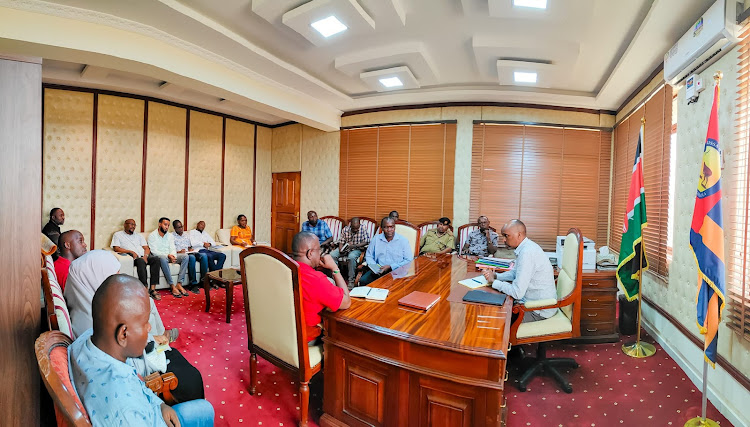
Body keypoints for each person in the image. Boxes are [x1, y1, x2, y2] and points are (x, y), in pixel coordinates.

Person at [68, 275, 214, 426]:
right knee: (204, 410)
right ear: (123, 334)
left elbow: (135, 382)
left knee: (205, 409)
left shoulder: (86, 340)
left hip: (151, 408)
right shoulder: (126, 412)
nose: (149, 328)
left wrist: (159, 405)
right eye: (145, 323)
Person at [66, 252, 205, 404]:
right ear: (96, 278)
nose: (118, 279)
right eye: (114, 275)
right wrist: (150, 340)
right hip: (143, 372)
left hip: (139, 359)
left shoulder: (88, 310)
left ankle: (161, 336)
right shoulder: (94, 323)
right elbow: (124, 366)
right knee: (193, 379)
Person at [481, 220, 557, 322]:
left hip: (538, 311)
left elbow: (517, 293)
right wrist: (496, 276)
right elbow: (515, 273)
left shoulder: (527, 253)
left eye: (506, 236)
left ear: (519, 235)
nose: (503, 240)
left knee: (495, 318)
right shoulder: (527, 247)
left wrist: (493, 282)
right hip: (534, 304)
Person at [291, 231, 351, 343]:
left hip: (282, 336)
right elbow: (346, 302)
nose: (320, 254)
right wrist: (334, 268)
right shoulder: (316, 280)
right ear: (310, 254)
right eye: (319, 250)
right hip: (303, 341)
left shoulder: (282, 268)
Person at [111, 218, 162, 300]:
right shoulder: (118, 235)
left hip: (143, 256)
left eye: (134, 225)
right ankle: (144, 289)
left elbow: (146, 247)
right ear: (125, 225)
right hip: (133, 258)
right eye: (131, 224)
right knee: (141, 261)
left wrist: (145, 256)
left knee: (156, 259)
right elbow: (116, 248)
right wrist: (131, 251)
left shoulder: (139, 235)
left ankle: (152, 289)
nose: (133, 227)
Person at [359, 217, 413, 286]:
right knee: (363, 281)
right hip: (378, 271)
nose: (389, 230)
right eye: (386, 227)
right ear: (382, 228)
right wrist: (375, 267)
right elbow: (369, 255)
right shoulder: (376, 239)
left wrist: (391, 266)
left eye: (391, 227)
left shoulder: (403, 241)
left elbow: (408, 260)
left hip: (396, 272)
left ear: (394, 227)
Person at [148, 217, 190, 298]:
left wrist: (173, 256)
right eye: (165, 225)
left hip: (170, 256)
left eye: (168, 225)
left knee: (185, 256)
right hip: (162, 256)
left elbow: (173, 248)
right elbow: (154, 251)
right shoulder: (152, 235)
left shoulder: (170, 236)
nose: (167, 227)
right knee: (163, 258)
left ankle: (179, 284)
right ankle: (172, 286)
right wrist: (168, 255)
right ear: (159, 224)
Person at [329, 217, 370, 288]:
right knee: (332, 255)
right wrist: (341, 249)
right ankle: (335, 277)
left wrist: (354, 246)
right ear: (350, 226)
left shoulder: (363, 228)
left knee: (351, 257)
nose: (355, 230)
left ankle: (351, 280)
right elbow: (341, 241)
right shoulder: (345, 229)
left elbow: (366, 241)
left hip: (357, 248)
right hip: (346, 247)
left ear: (359, 225)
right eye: (353, 228)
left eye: (357, 228)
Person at [172, 220, 201, 293]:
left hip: (188, 252)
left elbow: (188, 246)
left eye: (182, 226)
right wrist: (179, 251)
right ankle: (193, 284)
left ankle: (204, 281)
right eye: (179, 227)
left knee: (203, 256)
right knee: (192, 258)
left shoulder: (186, 235)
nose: (181, 229)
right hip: (179, 254)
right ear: (174, 228)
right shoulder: (171, 236)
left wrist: (190, 249)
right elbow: (170, 249)